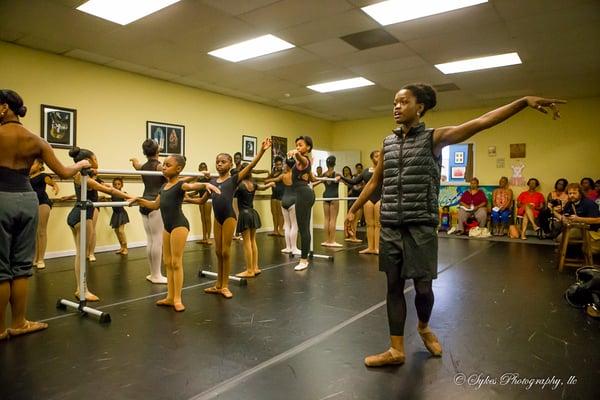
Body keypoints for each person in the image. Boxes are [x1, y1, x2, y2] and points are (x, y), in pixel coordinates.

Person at [345, 83, 564, 367]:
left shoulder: (434, 139)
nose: (396, 107)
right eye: (394, 103)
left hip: (421, 226)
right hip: (391, 225)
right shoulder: (387, 143)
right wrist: (353, 209)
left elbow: (482, 122)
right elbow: (376, 181)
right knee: (393, 286)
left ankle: (423, 326)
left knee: (423, 289)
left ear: (420, 106)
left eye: (403, 102)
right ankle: (396, 349)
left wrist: (522, 101)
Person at [0, 89, 89, 339]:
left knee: (1, 267)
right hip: (28, 200)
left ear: (4, 107)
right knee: (21, 266)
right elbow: (63, 171)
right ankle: (19, 323)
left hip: (2, 198)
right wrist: (81, 164)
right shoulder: (37, 140)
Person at [133, 156, 220, 312]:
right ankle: (169, 297)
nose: (164, 167)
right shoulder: (164, 186)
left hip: (179, 226)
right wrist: (139, 200)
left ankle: (178, 298)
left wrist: (206, 183)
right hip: (167, 227)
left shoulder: (181, 185)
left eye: (168, 165)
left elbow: (191, 185)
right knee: (167, 263)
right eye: (163, 165)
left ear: (178, 169)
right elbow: (154, 205)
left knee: (176, 262)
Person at [198, 138, 271, 298]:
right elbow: (200, 194)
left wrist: (262, 151)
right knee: (217, 251)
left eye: (223, 162)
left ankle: (225, 285)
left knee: (225, 251)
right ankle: (218, 284)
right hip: (217, 218)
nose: (219, 164)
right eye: (217, 162)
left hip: (229, 217)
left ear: (230, 165)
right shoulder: (212, 181)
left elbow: (251, 166)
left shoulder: (233, 179)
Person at [67, 147, 134, 301]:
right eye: (95, 159)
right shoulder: (83, 177)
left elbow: (108, 187)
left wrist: (129, 196)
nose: (98, 162)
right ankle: (81, 289)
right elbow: (108, 190)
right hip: (82, 216)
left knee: (81, 253)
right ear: (89, 161)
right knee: (81, 254)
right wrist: (130, 197)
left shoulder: (84, 175)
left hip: (79, 215)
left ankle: (81, 288)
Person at [130, 140, 168, 284]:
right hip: (155, 203)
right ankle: (157, 275)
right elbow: (170, 175)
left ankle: (153, 274)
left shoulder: (143, 166)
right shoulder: (159, 167)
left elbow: (136, 165)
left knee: (150, 240)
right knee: (157, 240)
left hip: (144, 202)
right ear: (157, 151)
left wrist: (135, 160)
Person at [234, 164, 274, 278]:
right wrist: (270, 184)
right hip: (252, 212)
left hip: (245, 214)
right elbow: (263, 187)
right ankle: (255, 267)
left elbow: (230, 191)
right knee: (253, 241)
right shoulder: (253, 184)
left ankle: (249, 270)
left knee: (247, 242)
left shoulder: (240, 185)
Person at [340, 150, 381, 253]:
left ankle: (377, 248)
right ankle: (370, 247)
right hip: (368, 199)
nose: (379, 157)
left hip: (380, 198)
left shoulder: (383, 169)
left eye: (380, 156)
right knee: (369, 224)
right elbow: (354, 181)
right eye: (376, 156)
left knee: (378, 224)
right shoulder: (366, 171)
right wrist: (341, 177)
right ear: (372, 158)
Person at [288, 136, 316, 271]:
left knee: (303, 229)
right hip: (304, 193)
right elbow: (311, 178)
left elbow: (300, 158)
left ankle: (304, 260)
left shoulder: (303, 159)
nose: (298, 147)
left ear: (308, 147)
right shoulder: (305, 163)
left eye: (300, 145)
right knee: (304, 228)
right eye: (296, 145)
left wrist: (296, 153)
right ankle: (304, 258)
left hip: (303, 195)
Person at [266, 158, 301, 255]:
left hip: (284, 200)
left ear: (287, 165)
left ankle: (287, 247)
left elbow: (271, 180)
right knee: (294, 225)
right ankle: (294, 248)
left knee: (287, 225)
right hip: (293, 200)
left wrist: (269, 180)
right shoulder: (296, 175)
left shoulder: (283, 175)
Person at [29, 158, 59, 269]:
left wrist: (55, 186)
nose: (30, 166)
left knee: (41, 231)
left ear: (40, 165)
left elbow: (51, 182)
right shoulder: (26, 177)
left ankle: (41, 259)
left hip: (43, 203)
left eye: (33, 163)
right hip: (32, 205)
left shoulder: (43, 176)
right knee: (34, 233)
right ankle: (35, 258)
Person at [316, 155, 342, 247]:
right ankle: (332, 241)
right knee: (333, 220)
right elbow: (347, 182)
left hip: (326, 196)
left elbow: (315, 183)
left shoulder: (324, 174)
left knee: (327, 219)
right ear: (334, 163)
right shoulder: (337, 174)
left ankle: (327, 240)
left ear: (326, 164)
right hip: (334, 197)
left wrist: (318, 181)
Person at [108, 177, 129, 255]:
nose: (117, 186)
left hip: (121, 213)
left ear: (122, 185)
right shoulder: (112, 193)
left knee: (121, 231)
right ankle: (122, 247)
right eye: (115, 184)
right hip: (115, 214)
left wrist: (128, 200)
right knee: (117, 231)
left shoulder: (123, 193)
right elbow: (112, 199)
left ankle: (126, 247)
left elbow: (128, 198)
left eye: (119, 184)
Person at [196, 162, 213, 245]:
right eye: (201, 168)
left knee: (207, 218)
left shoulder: (209, 178)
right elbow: (196, 191)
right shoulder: (198, 179)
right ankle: (204, 238)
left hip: (208, 199)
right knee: (202, 219)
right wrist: (187, 195)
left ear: (206, 169)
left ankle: (209, 238)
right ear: (199, 169)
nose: (203, 169)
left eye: (204, 167)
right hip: (201, 199)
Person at [267, 156, 285, 237]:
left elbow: (277, 179)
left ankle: (281, 229)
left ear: (282, 164)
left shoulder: (284, 172)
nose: (278, 166)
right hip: (274, 194)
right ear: (275, 165)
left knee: (281, 213)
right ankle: (275, 230)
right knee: (274, 213)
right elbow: (265, 181)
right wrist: (270, 180)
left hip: (282, 194)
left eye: (280, 164)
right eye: (277, 165)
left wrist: (271, 180)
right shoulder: (273, 172)